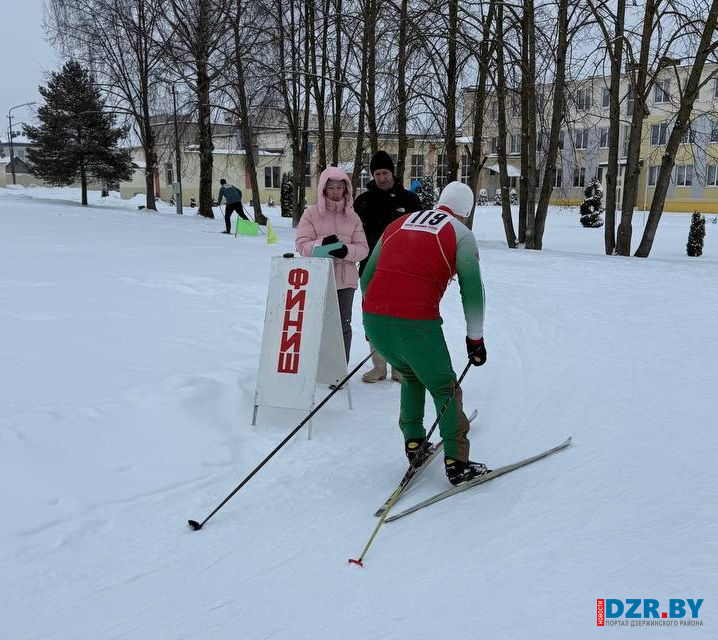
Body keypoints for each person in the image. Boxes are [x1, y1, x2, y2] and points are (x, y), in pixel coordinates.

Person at [360, 181, 489, 486]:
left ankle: (414, 442)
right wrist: (475, 339)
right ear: (466, 212)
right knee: (444, 388)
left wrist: (377, 322)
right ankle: (457, 463)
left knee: (411, 375)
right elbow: (472, 290)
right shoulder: (461, 234)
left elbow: (366, 277)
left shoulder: (398, 223)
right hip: (416, 324)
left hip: (374, 318)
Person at [354, 150, 422, 383]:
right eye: (377, 174)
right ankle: (379, 366)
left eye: (385, 173)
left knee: (398, 318)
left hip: (401, 270)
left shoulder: (410, 200)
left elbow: (420, 236)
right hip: (370, 270)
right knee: (373, 318)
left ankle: (399, 367)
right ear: (372, 175)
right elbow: (353, 234)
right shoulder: (362, 202)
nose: (382, 178)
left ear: (392, 173)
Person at [296, 166, 369, 362]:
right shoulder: (311, 214)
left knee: (343, 326)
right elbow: (302, 246)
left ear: (346, 189)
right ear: (323, 189)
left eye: (339, 187)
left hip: (345, 282)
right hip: (319, 279)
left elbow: (363, 249)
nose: (336, 192)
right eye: (331, 188)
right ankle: (315, 365)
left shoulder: (353, 217)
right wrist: (322, 244)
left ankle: (340, 368)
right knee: (317, 323)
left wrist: (346, 251)